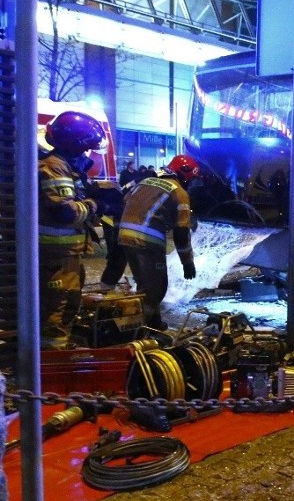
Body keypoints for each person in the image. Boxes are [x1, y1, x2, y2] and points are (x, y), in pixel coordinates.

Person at [38, 111, 106, 349]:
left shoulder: (65, 167)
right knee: (54, 313)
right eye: (86, 149)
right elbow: (66, 213)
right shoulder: (54, 168)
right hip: (54, 257)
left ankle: (59, 351)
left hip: (66, 256)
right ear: (75, 146)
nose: (88, 154)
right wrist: (96, 204)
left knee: (68, 306)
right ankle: (49, 364)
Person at [118, 155, 199, 330]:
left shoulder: (146, 182)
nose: (190, 184)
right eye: (191, 180)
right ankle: (138, 329)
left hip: (124, 236)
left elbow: (125, 202)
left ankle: (154, 322)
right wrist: (187, 262)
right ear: (184, 174)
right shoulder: (179, 192)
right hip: (147, 240)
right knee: (155, 288)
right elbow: (181, 233)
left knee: (145, 283)